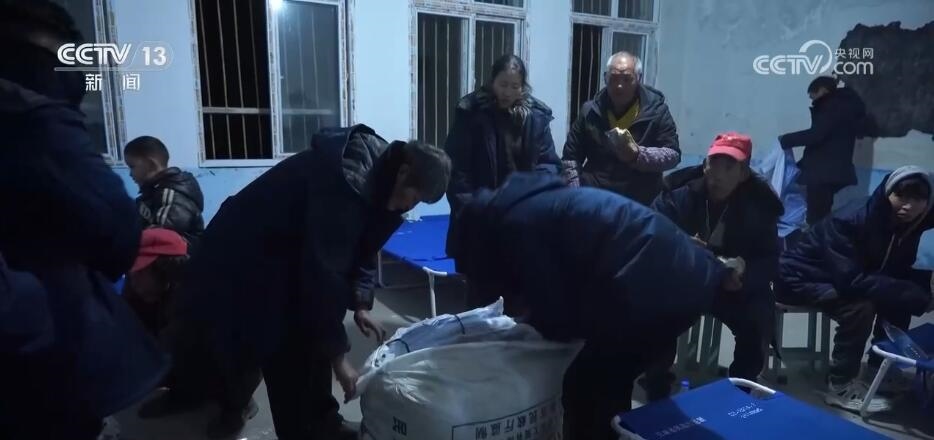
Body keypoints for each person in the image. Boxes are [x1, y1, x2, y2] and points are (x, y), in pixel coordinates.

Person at [141, 124, 451, 440]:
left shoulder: (383, 181)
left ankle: (321, 423)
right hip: (242, 252)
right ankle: (227, 405)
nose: (410, 207)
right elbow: (324, 278)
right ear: (403, 172)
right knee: (254, 341)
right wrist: (339, 358)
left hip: (287, 254)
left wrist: (360, 302)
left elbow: (364, 247)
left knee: (304, 335)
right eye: (413, 198)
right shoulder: (346, 183)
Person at [449, 172, 741, 439]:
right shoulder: (533, 203)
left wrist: (524, 336)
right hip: (683, 276)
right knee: (608, 378)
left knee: (587, 385)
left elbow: (552, 307)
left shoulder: (519, 225)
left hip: (653, 286)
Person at [0, 1, 168, 438]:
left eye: (135, 168)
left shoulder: (172, 190)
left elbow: (152, 228)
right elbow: (115, 233)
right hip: (41, 357)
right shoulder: (32, 122)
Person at [778, 166, 934, 413]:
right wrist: (918, 296)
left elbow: (893, 272)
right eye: (901, 196)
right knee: (860, 307)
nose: (908, 206)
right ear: (887, 193)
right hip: (800, 277)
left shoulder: (912, 223)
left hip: (842, 277)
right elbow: (852, 281)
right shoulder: (852, 220)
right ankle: (840, 385)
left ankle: (878, 370)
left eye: (917, 199)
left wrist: (923, 291)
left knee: (898, 298)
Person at [645, 133, 782, 398]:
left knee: (757, 315)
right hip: (686, 279)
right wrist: (681, 244)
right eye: (713, 164)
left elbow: (769, 260)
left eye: (728, 167)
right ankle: (657, 386)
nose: (717, 175)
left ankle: (740, 391)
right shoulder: (679, 194)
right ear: (704, 165)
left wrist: (744, 274)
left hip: (730, 287)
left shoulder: (760, 207)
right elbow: (650, 229)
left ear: (743, 174)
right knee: (656, 308)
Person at [562, 51, 680, 205]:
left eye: (627, 79)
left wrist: (638, 155)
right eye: (614, 78)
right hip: (596, 198)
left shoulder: (656, 111)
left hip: (639, 203)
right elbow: (570, 158)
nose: (619, 86)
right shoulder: (590, 111)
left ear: (638, 78)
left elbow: (673, 155)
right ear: (606, 78)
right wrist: (576, 194)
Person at [779, 76, 868, 225]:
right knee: (822, 214)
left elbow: (817, 135)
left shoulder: (832, 107)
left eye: (813, 96)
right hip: (833, 170)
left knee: (816, 217)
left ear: (822, 90)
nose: (813, 101)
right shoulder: (844, 106)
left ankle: (817, 238)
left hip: (823, 173)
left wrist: (786, 139)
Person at [124, 135, 205, 246]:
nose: (130, 174)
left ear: (151, 164)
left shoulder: (172, 194)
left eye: (132, 166)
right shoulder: (151, 194)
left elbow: (162, 234)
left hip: (183, 254)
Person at [124, 228, 189, 338]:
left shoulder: (184, 315)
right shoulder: (130, 296)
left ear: (164, 271)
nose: (132, 274)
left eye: (140, 270)